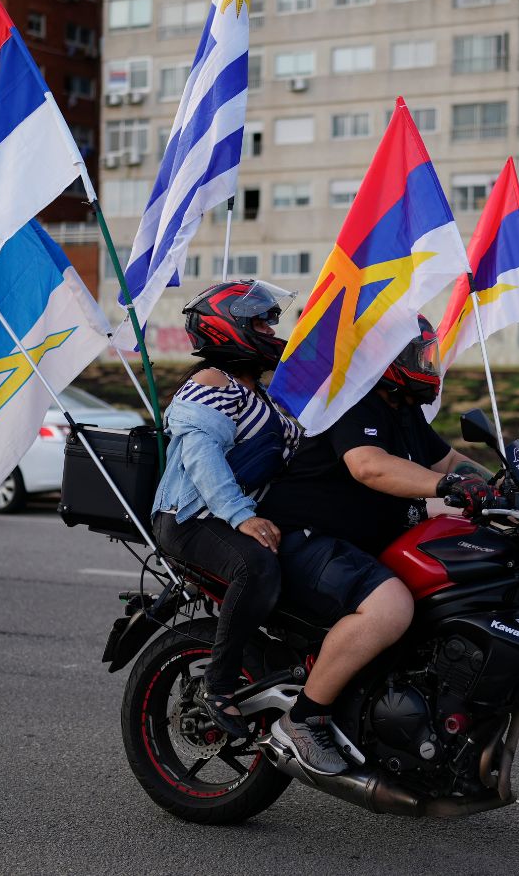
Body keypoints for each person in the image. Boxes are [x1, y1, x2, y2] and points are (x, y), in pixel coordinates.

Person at [258, 316, 499, 775]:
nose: (428, 362)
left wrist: (506, 487)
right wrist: (450, 487)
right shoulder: (352, 401)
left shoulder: (401, 408)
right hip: (306, 537)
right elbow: (368, 466)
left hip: (359, 539)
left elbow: (446, 458)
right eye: (419, 353)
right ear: (385, 357)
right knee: (391, 608)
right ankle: (304, 720)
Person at [150, 280, 302, 741]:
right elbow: (202, 456)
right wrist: (242, 516)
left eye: (271, 320)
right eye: (259, 321)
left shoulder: (263, 397)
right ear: (227, 328)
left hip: (227, 515)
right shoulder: (211, 383)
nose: (271, 329)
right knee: (255, 568)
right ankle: (218, 686)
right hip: (191, 518)